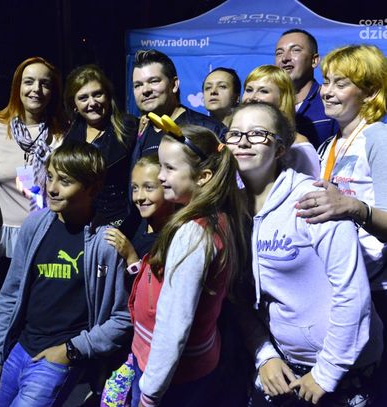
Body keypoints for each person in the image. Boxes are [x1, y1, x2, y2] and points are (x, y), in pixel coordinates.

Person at [228, 102, 383, 406]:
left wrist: (327, 372)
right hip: (283, 363)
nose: (243, 142)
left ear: (280, 148)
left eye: (257, 133)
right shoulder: (231, 209)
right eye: (235, 134)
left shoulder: (314, 202)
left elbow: (353, 294)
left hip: (344, 367)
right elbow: (237, 295)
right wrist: (264, 355)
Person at [0, 142, 132, 406]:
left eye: (65, 181)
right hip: (19, 348)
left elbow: (122, 318)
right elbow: (11, 292)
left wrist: (71, 351)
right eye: (50, 177)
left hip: (57, 359)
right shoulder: (35, 225)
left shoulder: (106, 244)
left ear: (92, 188)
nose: (52, 188)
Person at [126, 114, 248, 406]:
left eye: (169, 168)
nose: (160, 176)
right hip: (188, 366)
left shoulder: (193, 234)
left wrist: (150, 394)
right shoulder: (216, 216)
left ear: (203, 177)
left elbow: (174, 326)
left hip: (171, 378)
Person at [294, 45, 387, 404]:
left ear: (371, 91)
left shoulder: (378, 137)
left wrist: (353, 207)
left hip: (377, 293)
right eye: (327, 82)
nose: (327, 92)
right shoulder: (331, 143)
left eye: (341, 83)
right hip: (340, 285)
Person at [0, 56, 66, 262]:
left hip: (53, 232)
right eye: (29, 82)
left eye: (45, 84)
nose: (36, 89)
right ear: (17, 86)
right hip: (9, 239)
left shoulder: (63, 131)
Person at [63, 64, 137, 227]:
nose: (92, 103)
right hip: (81, 221)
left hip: (121, 221)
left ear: (108, 96)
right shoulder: (69, 138)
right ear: (74, 105)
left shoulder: (130, 127)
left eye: (97, 94)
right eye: (83, 98)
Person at [131, 49, 224, 163]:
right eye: (138, 85)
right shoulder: (133, 134)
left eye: (154, 81)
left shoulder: (209, 129)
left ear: (174, 84)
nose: (145, 90)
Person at [242, 64, 320, 177]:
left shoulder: (298, 147)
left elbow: (310, 186)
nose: (252, 97)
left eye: (263, 91)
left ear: (282, 97)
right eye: (249, 90)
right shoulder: (236, 139)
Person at [104, 154, 174, 271]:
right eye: (135, 188)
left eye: (149, 187)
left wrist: (132, 258)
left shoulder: (176, 239)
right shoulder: (135, 221)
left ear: (168, 187)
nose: (139, 197)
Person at [274, 29, 338, 148]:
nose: (285, 58)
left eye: (295, 50)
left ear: (314, 60)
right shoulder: (270, 105)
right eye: (279, 53)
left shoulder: (331, 102)